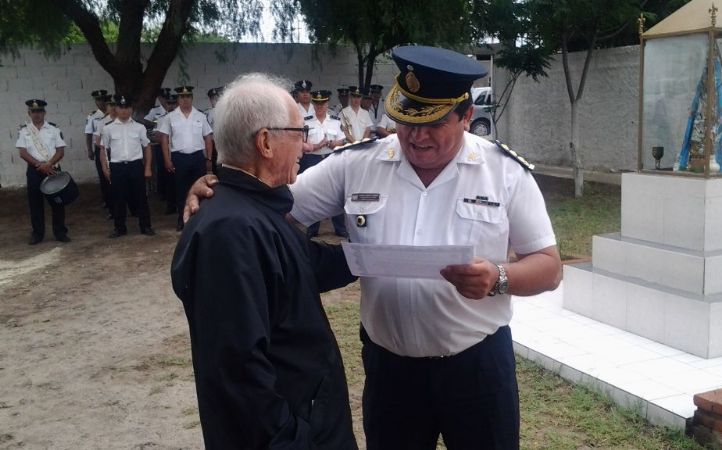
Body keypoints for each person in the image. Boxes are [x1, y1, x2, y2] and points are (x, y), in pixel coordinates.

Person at [186, 45, 562, 450]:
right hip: (391, 373)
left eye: (433, 123)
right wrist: (222, 191)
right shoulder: (357, 164)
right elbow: (269, 207)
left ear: (466, 116)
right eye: (407, 121)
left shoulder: (504, 173)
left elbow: (549, 266)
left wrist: (498, 278)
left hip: (477, 366)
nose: (416, 136)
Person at [171, 73, 358, 449]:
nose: (305, 145)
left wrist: (389, 257)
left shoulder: (255, 211)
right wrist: (292, 438)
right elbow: (238, 368)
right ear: (266, 142)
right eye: (299, 133)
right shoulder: (230, 230)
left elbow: (303, 266)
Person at [99, 94, 156, 238]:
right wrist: (105, 168)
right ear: (116, 109)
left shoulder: (139, 127)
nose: (124, 110)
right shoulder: (108, 128)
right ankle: (119, 228)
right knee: (118, 198)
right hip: (117, 167)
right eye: (121, 107)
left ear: (131, 109)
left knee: (141, 197)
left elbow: (147, 147)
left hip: (135, 165)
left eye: (127, 107)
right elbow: (103, 150)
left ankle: (145, 226)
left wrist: (147, 167)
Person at [157, 85, 213, 231]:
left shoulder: (200, 116)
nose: (185, 100)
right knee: (181, 190)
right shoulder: (170, 117)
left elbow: (208, 138)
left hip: (197, 157)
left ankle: (200, 220)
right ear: (178, 99)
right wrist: (167, 159)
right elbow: (164, 139)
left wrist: (208, 158)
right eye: (182, 97)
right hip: (179, 158)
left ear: (192, 98)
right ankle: (182, 220)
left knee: (200, 189)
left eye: (188, 97)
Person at [16, 99, 70, 244]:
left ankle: (60, 232)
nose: (37, 114)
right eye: (33, 111)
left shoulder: (54, 129)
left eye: (39, 111)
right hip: (34, 170)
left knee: (57, 202)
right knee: (35, 203)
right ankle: (37, 234)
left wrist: (49, 164)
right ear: (29, 113)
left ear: (44, 112)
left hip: (53, 169)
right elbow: (23, 153)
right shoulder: (24, 131)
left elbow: (60, 151)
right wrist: (39, 164)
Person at [301, 90, 347, 238]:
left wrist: (333, 143)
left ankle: (340, 228)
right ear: (313, 105)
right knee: (312, 194)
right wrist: (317, 146)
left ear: (327, 104)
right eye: (317, 104)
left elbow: (342, 140)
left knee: (335, 192)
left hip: (330, 157)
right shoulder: (306, 122)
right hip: (312, 159)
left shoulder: (335, 121)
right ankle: (313, 228)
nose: (320, 107)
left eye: (323, 104)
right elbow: (301, 142)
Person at [85, 90, 110, 211]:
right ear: (95, 102)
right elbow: (88, 134)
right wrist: (89, 150)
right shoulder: (93, 116)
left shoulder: (114, 113)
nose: (101, 102)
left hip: (113, 148)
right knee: (103, 174)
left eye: (103, 99)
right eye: (98, 100)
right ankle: (107, 199)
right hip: (99, 148)